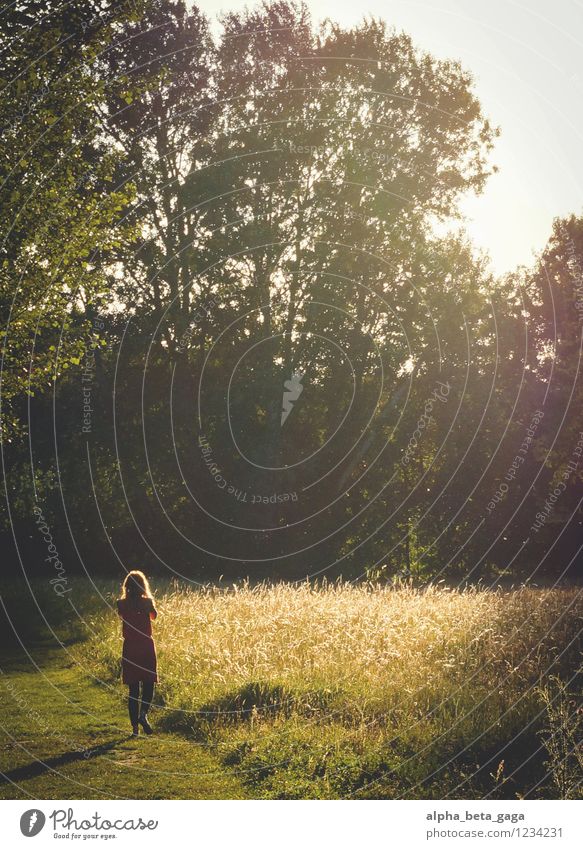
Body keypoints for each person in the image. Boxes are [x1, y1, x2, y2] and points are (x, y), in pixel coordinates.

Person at [116, 570, 158, 736]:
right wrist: (147, 604)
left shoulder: (121, 604)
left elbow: (123, 616)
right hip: (146, 646)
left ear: (127, 586)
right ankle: (143, 714)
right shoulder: (147, 602)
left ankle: (135, 730)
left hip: (130, 647)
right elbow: (154, 616)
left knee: (133, 689)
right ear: (143, 586)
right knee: (149, 683)